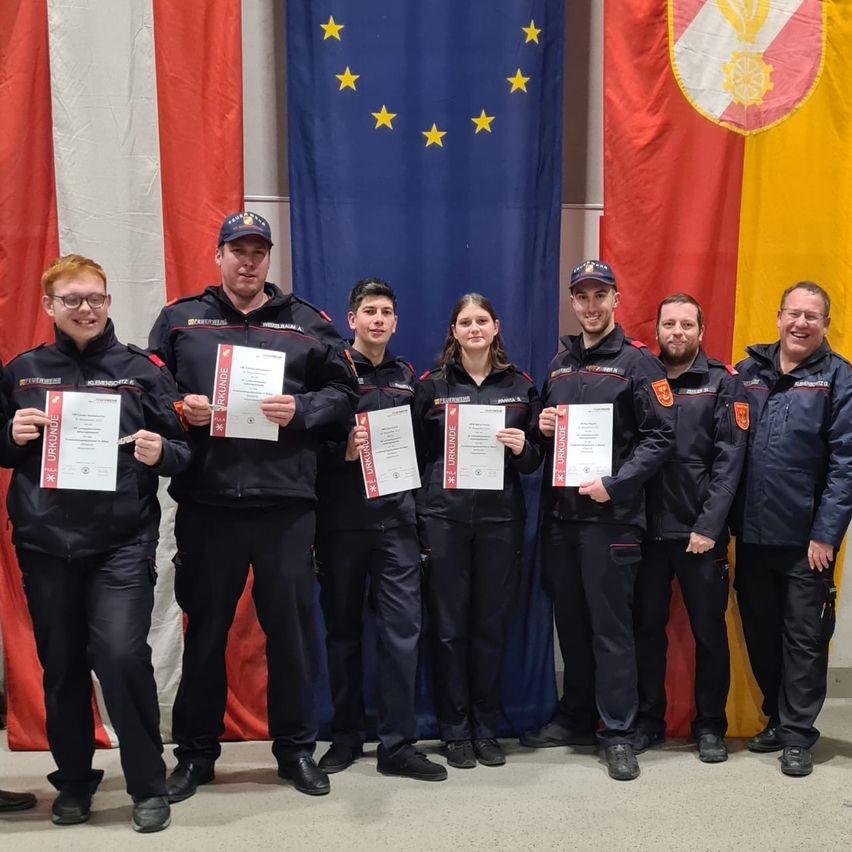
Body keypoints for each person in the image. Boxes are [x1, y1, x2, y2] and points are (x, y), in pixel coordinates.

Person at [148, 211, 357, 800]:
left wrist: (303, 411)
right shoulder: (180, 320)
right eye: (237, 250)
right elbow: (150, 395)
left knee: (289, 635)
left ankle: (295, 751)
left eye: (258, 251)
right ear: (219, 256)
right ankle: (195, 755)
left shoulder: (308, 324)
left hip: (285, 505)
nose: (248, 261)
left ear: (269, 259)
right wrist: (178, 410)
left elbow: (344, 395)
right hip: (208, 503)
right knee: (206, 633)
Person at [0, 255, 190, 832]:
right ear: (50, 306)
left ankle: (146, 784)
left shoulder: (142, 369)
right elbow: (3, 449)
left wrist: (166, 454)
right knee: (60, 668)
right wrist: (9, 434)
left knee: (120, 656)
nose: (86, 309)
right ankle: (75, 783)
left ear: (108, 303)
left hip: (121, 545)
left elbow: (186, 450)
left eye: (97, 299)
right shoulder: (23, 371)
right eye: (74, 300)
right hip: (45, 543)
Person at [521, 260, 675, 781]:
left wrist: (616, 485)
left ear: (616, 300)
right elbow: (548, 432)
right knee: (573, 624)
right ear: (573, 302)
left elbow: (660, 438)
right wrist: (542, 425)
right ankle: (576, 717)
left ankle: (618, 732)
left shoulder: (639, 365)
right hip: (562, 518)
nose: (590, 306)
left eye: (599, 296)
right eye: (581, 297)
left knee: (612, 629)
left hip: (612, 520)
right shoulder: (559, 365)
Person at [315, 279, 446, 782]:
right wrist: (338, 453)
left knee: (402, 635)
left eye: (386, 312)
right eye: (368, 311)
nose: (377, 320)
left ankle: (398, 744)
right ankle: (346, 737)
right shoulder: (328, 373)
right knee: (343, 633)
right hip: (342, 524)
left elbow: (422, 451)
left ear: (395, 323)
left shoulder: (409, 379)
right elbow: (307, 447)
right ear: (351, 320)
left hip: (396, 524)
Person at [414, 293, 542, 769]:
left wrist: (523, 445)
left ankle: (485, 728)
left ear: (496, 327)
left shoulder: (522, 386)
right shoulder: (430, 387)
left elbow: (534, 464)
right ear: (454, 330)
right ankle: (454, 731)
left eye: (481, 320)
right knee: (448, 629)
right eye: (465, 321)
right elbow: (420, 456)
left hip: (500, 521)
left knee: (489, 627)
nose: (474, 328)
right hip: (443, 520)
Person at [731, 281, 852, 777]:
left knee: (803, 639)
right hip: (752, 534)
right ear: (778, 317)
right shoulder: (747, 373)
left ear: (824, 324)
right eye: (793, 314)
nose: (801, 323)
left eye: (812, 316)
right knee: (760, 634)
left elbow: (846, 463)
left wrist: (826, 533)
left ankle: (799, 734)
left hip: (808, 542)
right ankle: (777, 721)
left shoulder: (838, 378)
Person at [634, 294, 747, 762]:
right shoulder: (641, 376)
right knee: (645, 630)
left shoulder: (723, 383)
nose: (676, 332)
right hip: (644, 533)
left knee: (708, 632)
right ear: (657, 329)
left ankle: (710, 726)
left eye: (686, 324)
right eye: (668, 324)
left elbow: (730, 462)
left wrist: (709, 526)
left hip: (701, 536)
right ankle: (648, 721)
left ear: (701, 331)